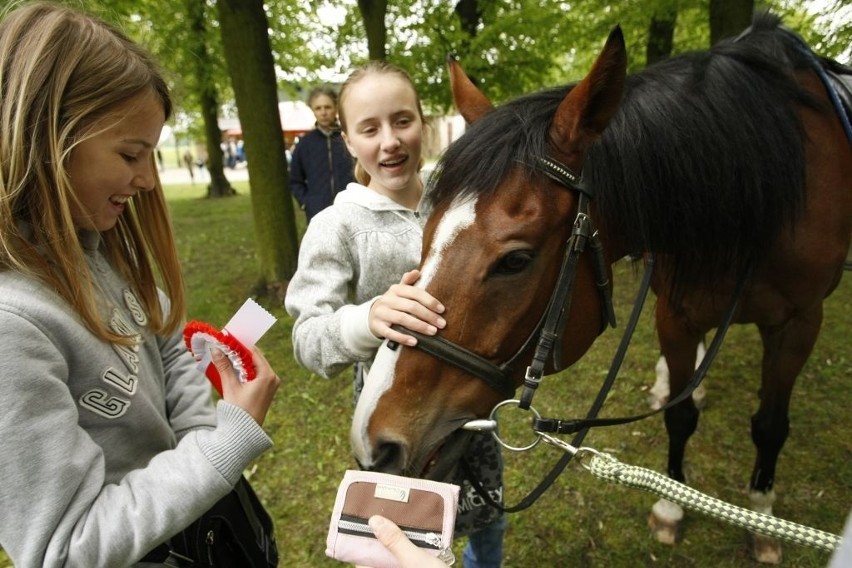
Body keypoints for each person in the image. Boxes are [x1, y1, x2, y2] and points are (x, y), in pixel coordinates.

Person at [0, 3, 282, 566]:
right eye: (131, 154)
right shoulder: (12, 329)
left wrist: (204, 435)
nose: (148, 179)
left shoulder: (95, 250)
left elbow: (165, 336)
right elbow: (66, 546)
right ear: (45, 136)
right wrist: (225, 444)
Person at [285, 61, 506, 568]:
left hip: (470, 407)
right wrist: (368, 319)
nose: (390, 141)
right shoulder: (335, 226)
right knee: (401, 543)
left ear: (424, 124)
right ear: (347, 140)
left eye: (402, 121)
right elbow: (308, 339)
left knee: (487, 518)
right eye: (369, 128)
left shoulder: (460, 202)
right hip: (399, 422)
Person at [288, 85, 354, 222]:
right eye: (318, 108)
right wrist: (306, 203)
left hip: (351, 210)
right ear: (312, 110)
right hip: (318, 214)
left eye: (327, 107)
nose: (323, 112)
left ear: (336, 108)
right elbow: (295, 180)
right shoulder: (304, 144)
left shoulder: (349, 138)